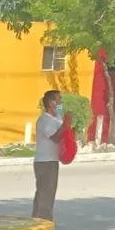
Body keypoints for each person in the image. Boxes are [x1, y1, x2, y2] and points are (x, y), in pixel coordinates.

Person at [32, 89, 71, 222]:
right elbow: (55, 137)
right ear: (51, 103)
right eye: (59, 100)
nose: (61, 103)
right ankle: (43, 222)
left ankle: (38, 221)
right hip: (45, 162)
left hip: (52, 161)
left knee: (47, 193)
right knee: (45, 195)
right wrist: (65, 125)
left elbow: (64, 133)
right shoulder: (45, 120)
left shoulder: (57, 118)